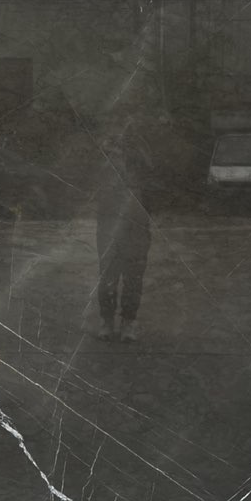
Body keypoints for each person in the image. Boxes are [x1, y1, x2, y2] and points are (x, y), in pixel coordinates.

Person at [96, 118, 153, 342]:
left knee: (134, 275)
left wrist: (134, 148)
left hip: (136, 221)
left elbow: (151, 173)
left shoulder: (141, 151)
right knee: (107, 273)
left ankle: (129, 322)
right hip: (109, 220)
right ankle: (107, 321)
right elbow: (95, 178)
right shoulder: (105, 150)